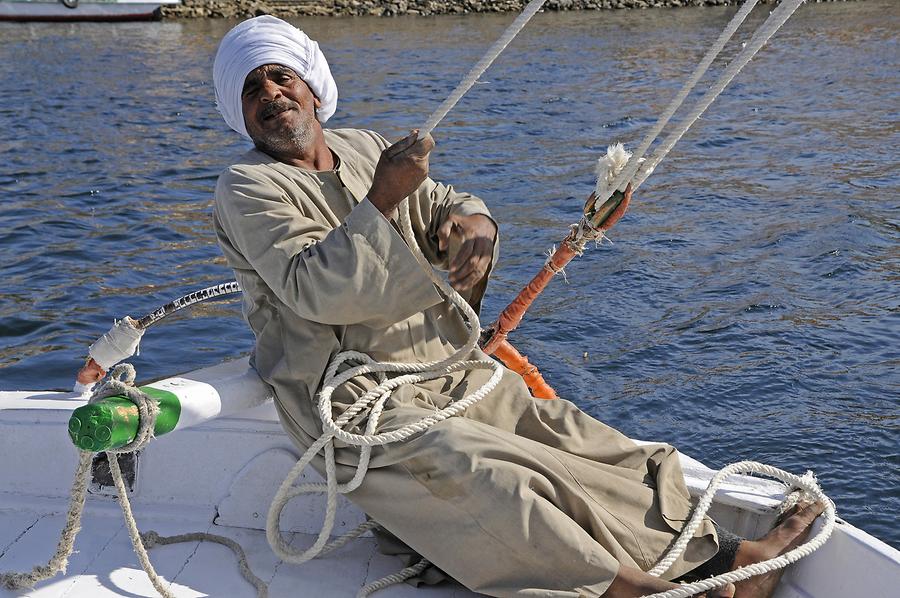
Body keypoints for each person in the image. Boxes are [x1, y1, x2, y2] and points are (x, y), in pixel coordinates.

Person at [211, 15, 823, 598]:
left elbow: (444, 201)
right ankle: (628, 590)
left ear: (313, 90)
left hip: (442, 365)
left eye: (280, 76)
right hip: (352, 401)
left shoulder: (365, 146)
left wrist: (471, 223)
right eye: (251, 88)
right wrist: (382, 199)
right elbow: (314, 290)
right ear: (241, 115)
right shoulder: (246, 187)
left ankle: (723, 560)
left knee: (581, 443)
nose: (270, 92)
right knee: (484, 471)